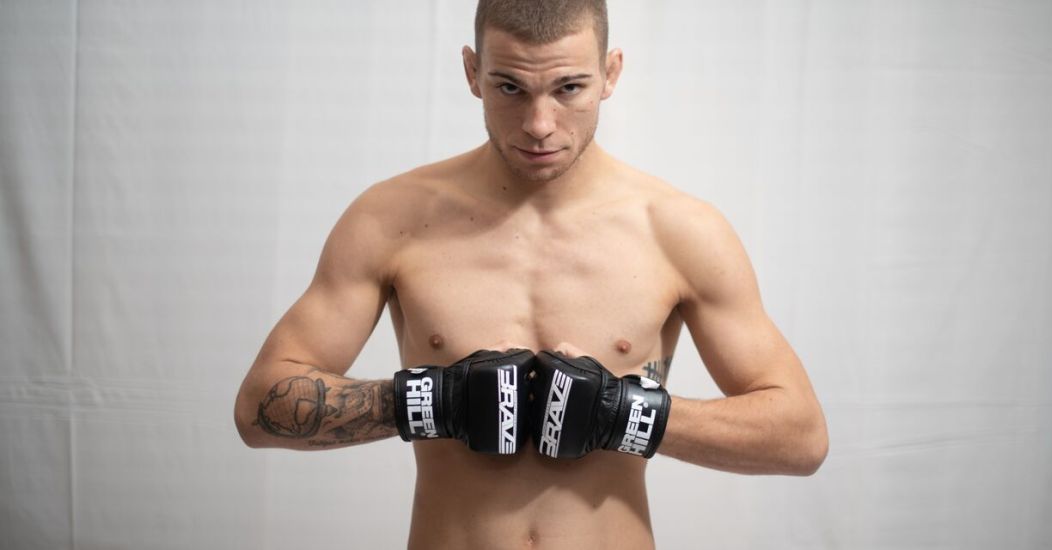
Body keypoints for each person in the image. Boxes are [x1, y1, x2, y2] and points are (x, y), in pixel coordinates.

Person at [234, 0, 828, 548]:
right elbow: (258, 409)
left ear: (610, 73)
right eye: (510, 87)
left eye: (569, 88)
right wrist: (430, 402)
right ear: (472, 72)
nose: (539, 124)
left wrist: (625, 413)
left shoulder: (679, 231)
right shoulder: (391, 220)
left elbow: (801, 437)